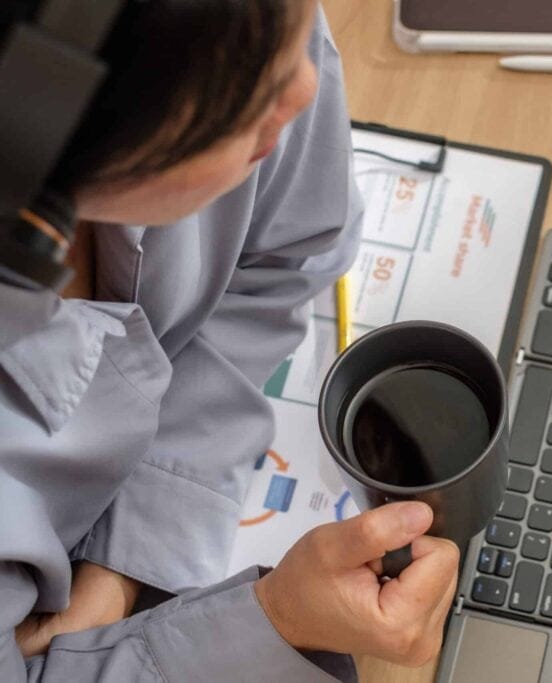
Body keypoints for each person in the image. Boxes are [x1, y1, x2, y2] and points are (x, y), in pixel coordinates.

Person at [0, 2, 458, 681]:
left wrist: (129, 556)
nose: (305, 85)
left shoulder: (249, 25)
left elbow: (282, 252)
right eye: (248, 88)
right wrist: (276, 626)